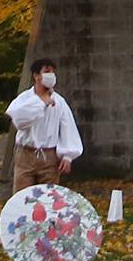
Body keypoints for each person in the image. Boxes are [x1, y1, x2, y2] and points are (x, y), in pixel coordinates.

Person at [6, 57, 83, 191]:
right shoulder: (25, 98)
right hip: (25, 154)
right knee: (22, 196)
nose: (51, 76)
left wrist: (67, 156)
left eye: (53, 72)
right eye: (47, 72)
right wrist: (41, 102)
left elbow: (68, 128)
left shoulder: (59, 102)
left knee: (48, 198)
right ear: (36, 76)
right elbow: (19, 121)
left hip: (49, 157)